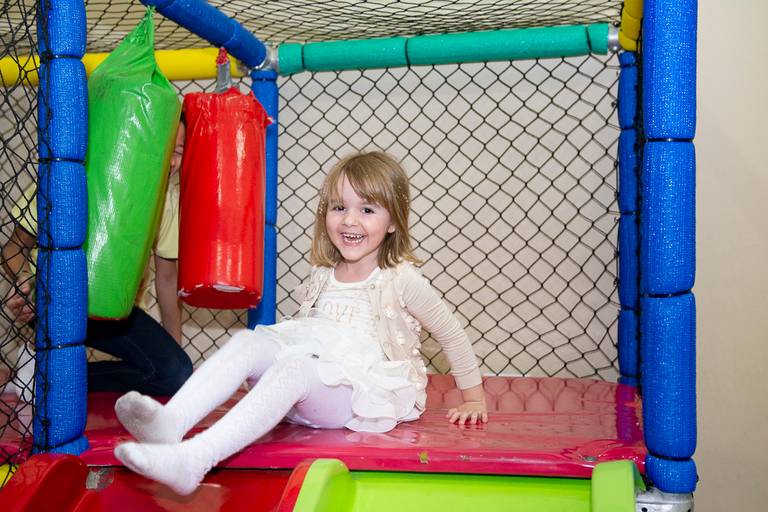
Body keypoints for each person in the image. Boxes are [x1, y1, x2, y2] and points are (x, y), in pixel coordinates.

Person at [113, 151, 488, 495]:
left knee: (295, 366)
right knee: (249, 341)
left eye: (367, 209)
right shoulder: (324, 273)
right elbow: (313, 338)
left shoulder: (399, 278)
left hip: (361, 398)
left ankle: (195, 459)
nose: (350, 220)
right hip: (309, 394)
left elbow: (451, 333)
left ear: (393, 222)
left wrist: (473, 398)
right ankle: (171, 422)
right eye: (339, 207)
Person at [1, 120, 192, 396]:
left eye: (179, 151)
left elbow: (167, 279)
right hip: (53, 295)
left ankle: (45, 375)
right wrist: (26, 284)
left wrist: (175, 350)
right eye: (164, 148)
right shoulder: (71, 176)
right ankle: (45, 373)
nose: (171, 161)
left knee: (176, 374)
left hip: (116, 309)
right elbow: (13, 248)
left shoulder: (167, 198)